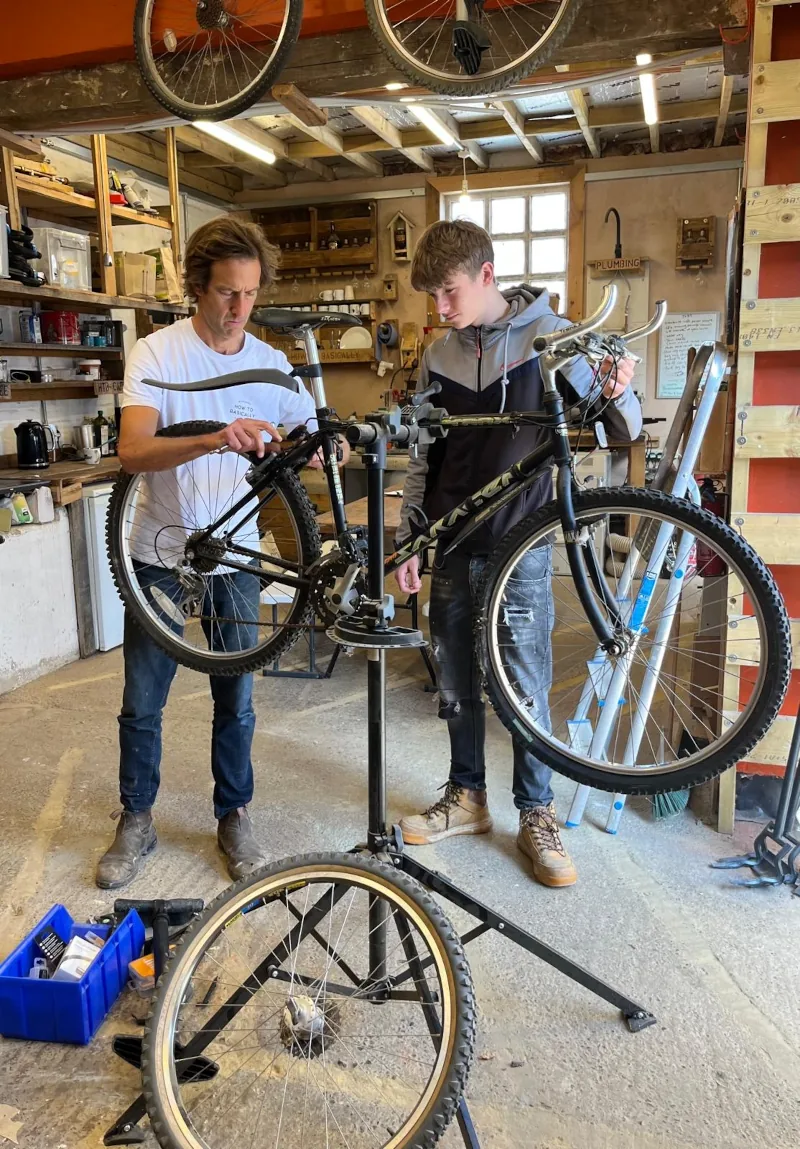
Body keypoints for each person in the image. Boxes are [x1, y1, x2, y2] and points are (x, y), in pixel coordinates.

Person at [96, 216, 344, 889]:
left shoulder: (269, 364)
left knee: (236, 697)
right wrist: (214, 436)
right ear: (198, 287)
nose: (240, 308)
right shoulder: (157, 354)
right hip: (159, 550)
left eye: (251, 293)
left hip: (235, 555)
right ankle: (137, 818)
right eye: (228, 293)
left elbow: (306, 436)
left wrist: (321, 446)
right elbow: (133, 450)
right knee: (142, 699)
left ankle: (234, 815)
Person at [394, 219, 640, 888]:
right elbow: (422, 455)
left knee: (525, 687)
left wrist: (617, 388)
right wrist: (410, 537)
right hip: (452, 542)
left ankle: (536, 812)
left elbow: (623, 427)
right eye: (431, 296)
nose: (440, 308)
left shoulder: (552, 339)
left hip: (521, 546)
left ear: (487, 275)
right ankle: (467, 797)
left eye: (449, 291)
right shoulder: (438, 356)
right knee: (454, 679)